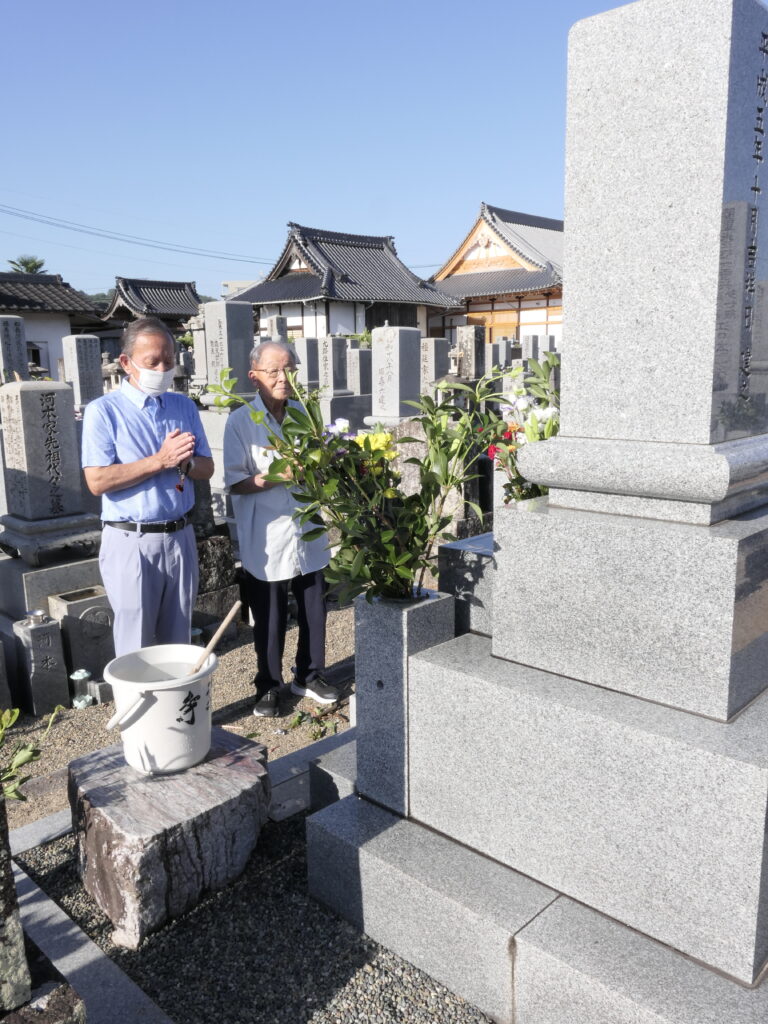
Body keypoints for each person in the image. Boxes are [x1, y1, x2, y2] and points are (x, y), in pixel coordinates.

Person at [82, 316, 214, 656]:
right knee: (135, 645)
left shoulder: (183, 406)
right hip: (131, 539)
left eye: (168, 360)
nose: (162, 368)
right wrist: (161, 460)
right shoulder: (104, 412)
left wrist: (184, 462)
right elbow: (97, 481)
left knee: (178, 640)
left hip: (180, 536)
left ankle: (174, 709)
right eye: (151, 362)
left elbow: (206, 468)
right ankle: (136, 708)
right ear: (126, 363)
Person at [223, 340, 337, 717]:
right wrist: (276, 475)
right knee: (269, 615)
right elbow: (235, 482)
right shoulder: (241, 421)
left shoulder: (306, 413)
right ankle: (267, 684)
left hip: (307, 527)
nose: (283, 378)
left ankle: (309, 674)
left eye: (289, 369)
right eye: (273, 371)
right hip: (267, 534)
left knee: (314, 608)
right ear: (255, 377)